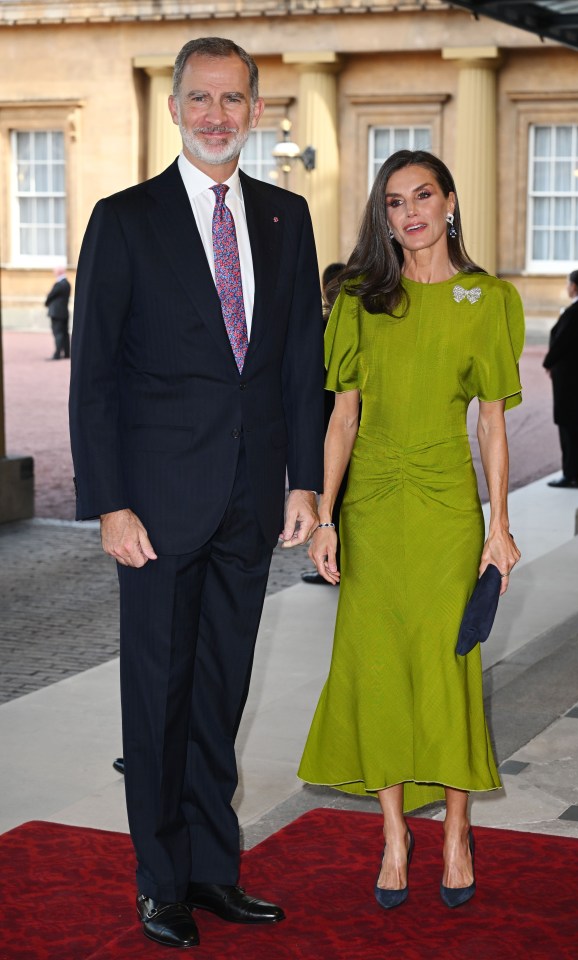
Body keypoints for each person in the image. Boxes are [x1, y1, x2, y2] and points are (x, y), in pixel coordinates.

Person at [69, 37, 323, 949]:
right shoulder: (125, 219)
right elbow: (93, 376)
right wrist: (109, 503)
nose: (217, 115)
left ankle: (216, 871)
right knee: (159, 697)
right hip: (157, 509)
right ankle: (160, 881)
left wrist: (305, 484)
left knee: (220, 694)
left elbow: (301, 367)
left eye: (234, 99)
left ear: (258, 110)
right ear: (175, 108)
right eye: (200, 99)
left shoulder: (287, 220)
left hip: (251, 503)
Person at [298, 149, 523, 910]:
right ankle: (394, 834)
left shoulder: (485, 298)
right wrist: (325, 517)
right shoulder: (361, 298)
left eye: (421, 195)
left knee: (445, 663)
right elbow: (341, 418)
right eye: (393, 202)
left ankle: (456, 828)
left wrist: (500, 526)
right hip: (372, 507)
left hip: (444, 511)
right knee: (376, 664)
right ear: (382, 216)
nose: (409, 212)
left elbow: (491, 424)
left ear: (449, 201)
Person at [301, 261, 347, 586]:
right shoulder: (326, 323)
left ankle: (335, 558)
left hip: (330, 417)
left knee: (334, 488)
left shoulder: (323, 324)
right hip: (339, 417)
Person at [543, 269, 578, 489]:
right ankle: (576, 473)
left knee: (568, 423)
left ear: (574, 286)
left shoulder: (576, 311)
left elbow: (561, 341)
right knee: (577, 425)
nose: (567, 287)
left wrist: (548, 363)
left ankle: (571, 474)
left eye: (568, 283)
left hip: (569, 378)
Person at [45, 265, 71, 359]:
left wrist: (46, 303)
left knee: (58, 333)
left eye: (55, 271)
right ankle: (67, 353)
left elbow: (50, 296)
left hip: (56, 313)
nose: (54, 273)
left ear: (59, 272)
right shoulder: (67, 284)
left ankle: (57, 354)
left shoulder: (59, 284)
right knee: (65, 333)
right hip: (64, 312)